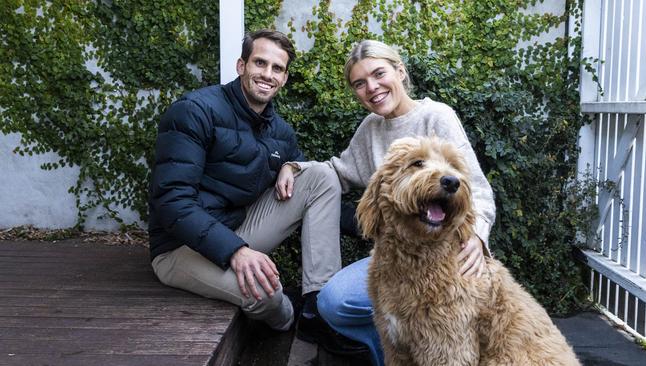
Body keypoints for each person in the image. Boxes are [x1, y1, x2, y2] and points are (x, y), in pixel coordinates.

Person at [289, 40, 496, 365]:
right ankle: (382, 354)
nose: (371, 87)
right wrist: (295, 168)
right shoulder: (371, 128)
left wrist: (478, 236)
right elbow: (338, 171)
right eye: (359, 83)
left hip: (441, 259)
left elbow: (478, 189)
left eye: (378, 74)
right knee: (333, 302)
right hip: (396, 258)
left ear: (400, 71)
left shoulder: (436, 117)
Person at [147, 30, 349, 345]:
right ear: (242, 65)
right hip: (180, 247)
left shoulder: (280, 131)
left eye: (277, 68)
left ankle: (319, 308)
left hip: (239, 226)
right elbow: (172, 201)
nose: (267, 74)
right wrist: (236, 251)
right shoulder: (195, 110)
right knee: (266, 295)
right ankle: (290, 318)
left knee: (320, 175)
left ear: (284, 78)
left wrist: (290, 166)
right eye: (260, 63)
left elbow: (318, 194)